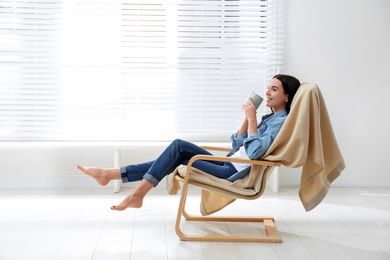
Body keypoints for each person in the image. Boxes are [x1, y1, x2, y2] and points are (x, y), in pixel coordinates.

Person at [77, 74, 301, 211]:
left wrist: (252, 120)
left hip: (229, 172)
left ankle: (135, 192)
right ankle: (110, 176)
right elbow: (238, 147)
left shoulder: (280, 123)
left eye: (274, 89)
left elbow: (253, 154)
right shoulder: (270, 118)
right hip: (228, 162)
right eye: (268, 87)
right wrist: (247, 119)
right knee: (175, 154)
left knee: (177, 146)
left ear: (287, 97)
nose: (267, 92)